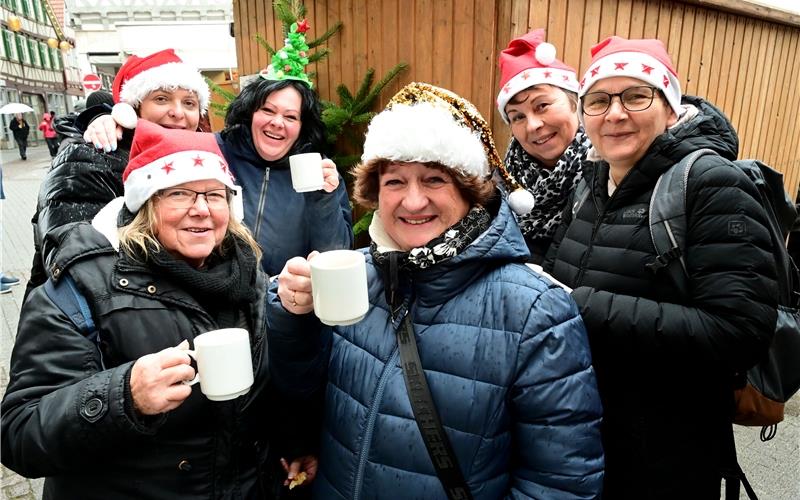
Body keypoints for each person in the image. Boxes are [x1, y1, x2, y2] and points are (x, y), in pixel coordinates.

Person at [268, 82, 604, 499]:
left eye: (433, 179)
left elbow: (560, 483)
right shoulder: (358, 279)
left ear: (469, 190)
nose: (412, 202)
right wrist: (290, 316)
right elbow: (306, 394)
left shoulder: (536, 311)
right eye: (394, 182)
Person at [0, 121, 294, 499]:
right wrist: (124, 397)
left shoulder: (248, 275)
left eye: (215, 195)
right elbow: (19, 433)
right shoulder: (83, 287)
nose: (201, 210)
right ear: (146, 203)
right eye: (180, 194)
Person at [543, 36, 778, 498]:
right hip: (587, 433)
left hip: (669, 452)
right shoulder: (590, 186)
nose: (614, 113)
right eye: (598, 100)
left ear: (670, 109)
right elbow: (556, 277)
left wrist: (580, 305)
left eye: (636, 95)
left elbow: (738, 331)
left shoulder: (713, 185)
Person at [26, 49, 210, 297]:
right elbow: (76, 261)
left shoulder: (194, 162)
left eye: (189, 103)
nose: (178, 112)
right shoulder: (89, 156)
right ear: (132, 109)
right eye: (162, 99)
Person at [494, 28, 592, 264]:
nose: (533, 125)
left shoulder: (610, 176)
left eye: (542, 105)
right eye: (517, 117)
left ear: (574, 103)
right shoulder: (500, 185)